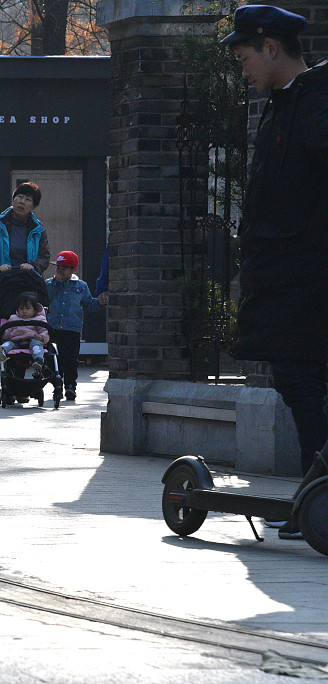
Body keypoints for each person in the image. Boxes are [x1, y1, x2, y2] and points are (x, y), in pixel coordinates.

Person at [222, 5, 328, 539]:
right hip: (288, 276)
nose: (243, 70)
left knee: (302, 378)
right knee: (299, 379)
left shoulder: (316, 102)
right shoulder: (282, 105)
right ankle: (318, 489)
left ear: (271, 48)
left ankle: (319, 492)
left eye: (245, 57)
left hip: (310, 278)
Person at [45, 251, 108, 402]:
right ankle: (56, 384)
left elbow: (88, 304)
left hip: (72, 329)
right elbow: (45, 299)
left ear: (74, 270)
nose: (60, 271)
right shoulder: (50, 284)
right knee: (53, 358)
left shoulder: (80, 286)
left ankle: (70, 386)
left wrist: (99, 302)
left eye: (64, 269)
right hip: (53, 327)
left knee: (70, 359)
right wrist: (56, 283)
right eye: (58, 268)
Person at [0, 182, 51, 281]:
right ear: (13, 199)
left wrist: (33, 267)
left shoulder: (38, 229)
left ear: (33, 206)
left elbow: (44, 256)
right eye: (19, 197)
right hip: (2, 281)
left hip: (29, 282)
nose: (22, 202)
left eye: (28, 199)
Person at [0, 291, 49, 373]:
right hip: (16, 341)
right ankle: (2, 353)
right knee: (8, 344)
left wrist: (42, 338)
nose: (24, 311)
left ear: (35, 309)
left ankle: (38, 361)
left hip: (32, 340)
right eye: (21, 308)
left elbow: (45, 331)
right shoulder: (14, 318)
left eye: (28, 308)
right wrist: (2, 334)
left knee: (36, 346)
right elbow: (9, 331)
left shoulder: (39, 319)